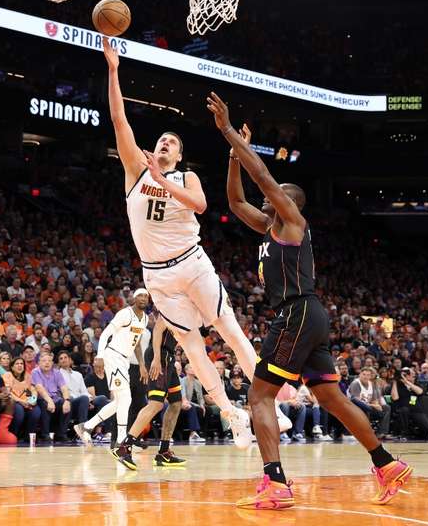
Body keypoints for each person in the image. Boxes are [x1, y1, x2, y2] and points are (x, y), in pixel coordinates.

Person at [210, 93, 410, 510]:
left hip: (298, 312)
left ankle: (276, 483)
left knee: (260, 396)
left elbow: (262, 176)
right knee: (332, 398)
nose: (268, 196)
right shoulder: (268, 226)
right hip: (309, 314)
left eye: (277, 194)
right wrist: (233, 154)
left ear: (290, 202)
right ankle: (387, 464)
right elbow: (234, 202)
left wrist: (229, 129)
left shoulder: (294, 222)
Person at [102, 38, 254, 448]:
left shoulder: (185, 178)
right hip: (157, 278)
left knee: (230, 329)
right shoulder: (136, 170)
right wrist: (114, 69)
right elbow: (119, 121)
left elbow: (202, 206)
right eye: (162, 140)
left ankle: (265, 403)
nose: (165, 143)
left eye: (173, 142)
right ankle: (231, 412)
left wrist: (165, 179)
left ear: (180, 154)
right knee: (192, 348)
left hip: (192, 262)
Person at [75, 289, 149, 447]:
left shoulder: (145, 319)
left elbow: (135, 344)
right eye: (140, 296)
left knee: (119, 402)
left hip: (125, 360)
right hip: (113, 356)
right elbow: (105, 334)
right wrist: (100, 355)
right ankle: (122, 439)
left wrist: (142, 364)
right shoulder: (125, 314)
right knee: (126, 398)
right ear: (134, 299)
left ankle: (86, 426)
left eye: (146, 296)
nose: (144, 298)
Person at [111, 315, 186, 469]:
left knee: (176, 403)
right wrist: (157, 358)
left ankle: (163, 452)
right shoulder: (170, 307)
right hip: (160, 356)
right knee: (156, 404)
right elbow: (158, 330)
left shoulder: (187, 315)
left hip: (169, 358)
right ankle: (124, 447)